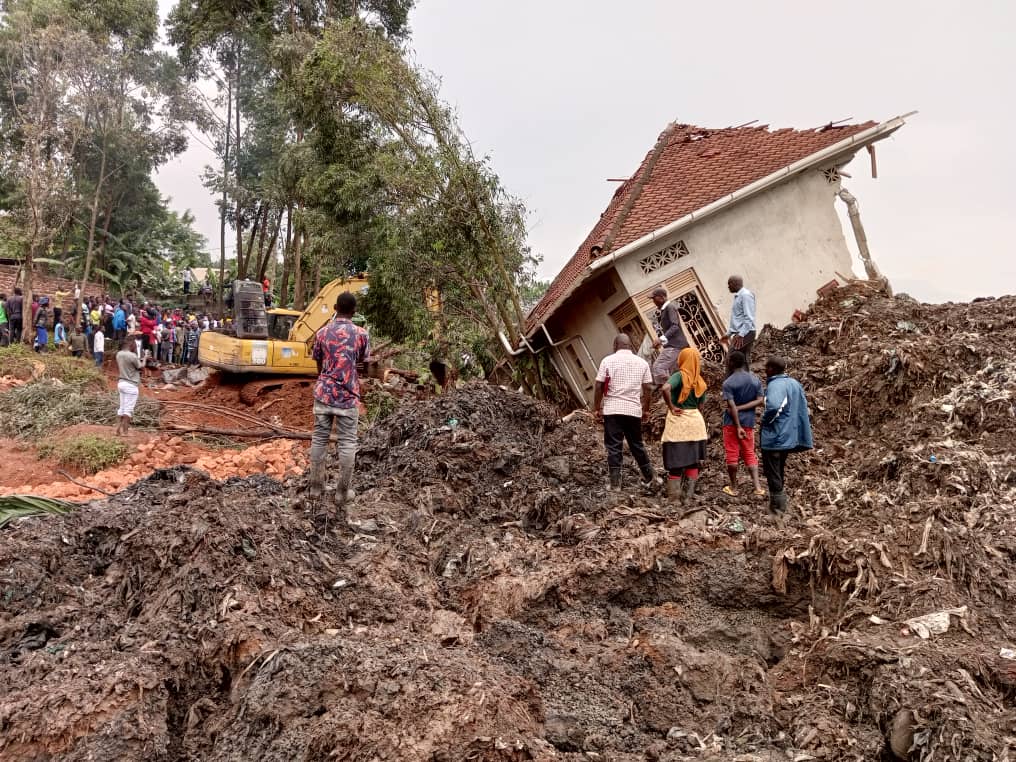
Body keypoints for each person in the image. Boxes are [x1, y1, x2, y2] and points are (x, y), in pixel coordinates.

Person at [307, 291, 370, 516]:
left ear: (334, 307)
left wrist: (324, 379)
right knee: (347, 443)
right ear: (354, 311)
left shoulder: (322, 332)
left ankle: (315, 488)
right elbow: (362, 362)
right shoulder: (362, 334)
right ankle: (342, 493)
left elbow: (317, 360)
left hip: (324, 393)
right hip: (348, 396)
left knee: (320, 438)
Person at [592, 333, 657, 491]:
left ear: (615, 346)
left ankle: (615, 485)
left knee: (614, 446)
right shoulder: (642, 363)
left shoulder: (607, 361)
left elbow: (599, 386)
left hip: (612, 410)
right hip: (633, 410)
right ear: (630, 346)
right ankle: (650, 477)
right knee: (636, 444)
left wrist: (596, 408)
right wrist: (646, 409)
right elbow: (648, 388)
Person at [760, 356, 813, 514]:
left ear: (772, 369)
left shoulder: (775, 385)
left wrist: (766, 420)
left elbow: (775, 406)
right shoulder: (794, 383)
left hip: (775, 435)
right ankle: (779, 504)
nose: (764, 371)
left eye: (767, 368)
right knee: (779, 468)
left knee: (773, 471)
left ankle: (778, 509)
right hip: (789, 435)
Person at [660, 347, 708, 503]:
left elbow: (665, 388)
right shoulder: (700, 381)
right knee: (692, 462)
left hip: (679, 424)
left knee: (675, 463)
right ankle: (687, 498)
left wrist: (672, 407)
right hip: (695, 425)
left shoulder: (679, 376)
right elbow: (701, 407)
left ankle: (674, 500)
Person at [720, 351, 765, 497]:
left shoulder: (728, 383)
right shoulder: (754, 379)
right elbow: (760, 400)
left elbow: (732, 407)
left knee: (732, 454)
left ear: (731, 363)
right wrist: (744, 407)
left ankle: (733, 488)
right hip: (749, 422)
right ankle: (758, 488)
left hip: (731, 423)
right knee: (749, 453)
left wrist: (737, 423)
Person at [650, 287, 689, 385]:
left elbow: (675, 326)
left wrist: (660, 339)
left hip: (676, 346)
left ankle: (672, 388)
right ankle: (676, 388)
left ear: (661, 298)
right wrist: (662, 342)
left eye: (654, 298)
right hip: (675, 345)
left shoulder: (670, 307)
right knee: (672, 371)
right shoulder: (665, 310)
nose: (653, 301)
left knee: (658, 368)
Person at [115, 336, 143, 436]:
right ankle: (125, 432)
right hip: (131, 385)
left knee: (122, 407)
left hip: (121, 383)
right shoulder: (132, 356)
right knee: (128, 409)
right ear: (131, 344)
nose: (136, 346)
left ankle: (118, 429)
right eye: (135, 344)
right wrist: (146, 358)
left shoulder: (119, 354)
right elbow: (141, 367)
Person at [726, 275, 757, 364]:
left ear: (735, 283)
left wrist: (741, 334)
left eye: (729, 284)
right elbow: (738, 319)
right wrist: (728, 334)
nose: (728, 286)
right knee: (742, 359)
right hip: (744, 332)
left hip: (746, 332)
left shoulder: (745, 295)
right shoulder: (739, 297)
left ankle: (731, 377)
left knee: (730, 358)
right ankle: (746, 377)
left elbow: (749, 317)